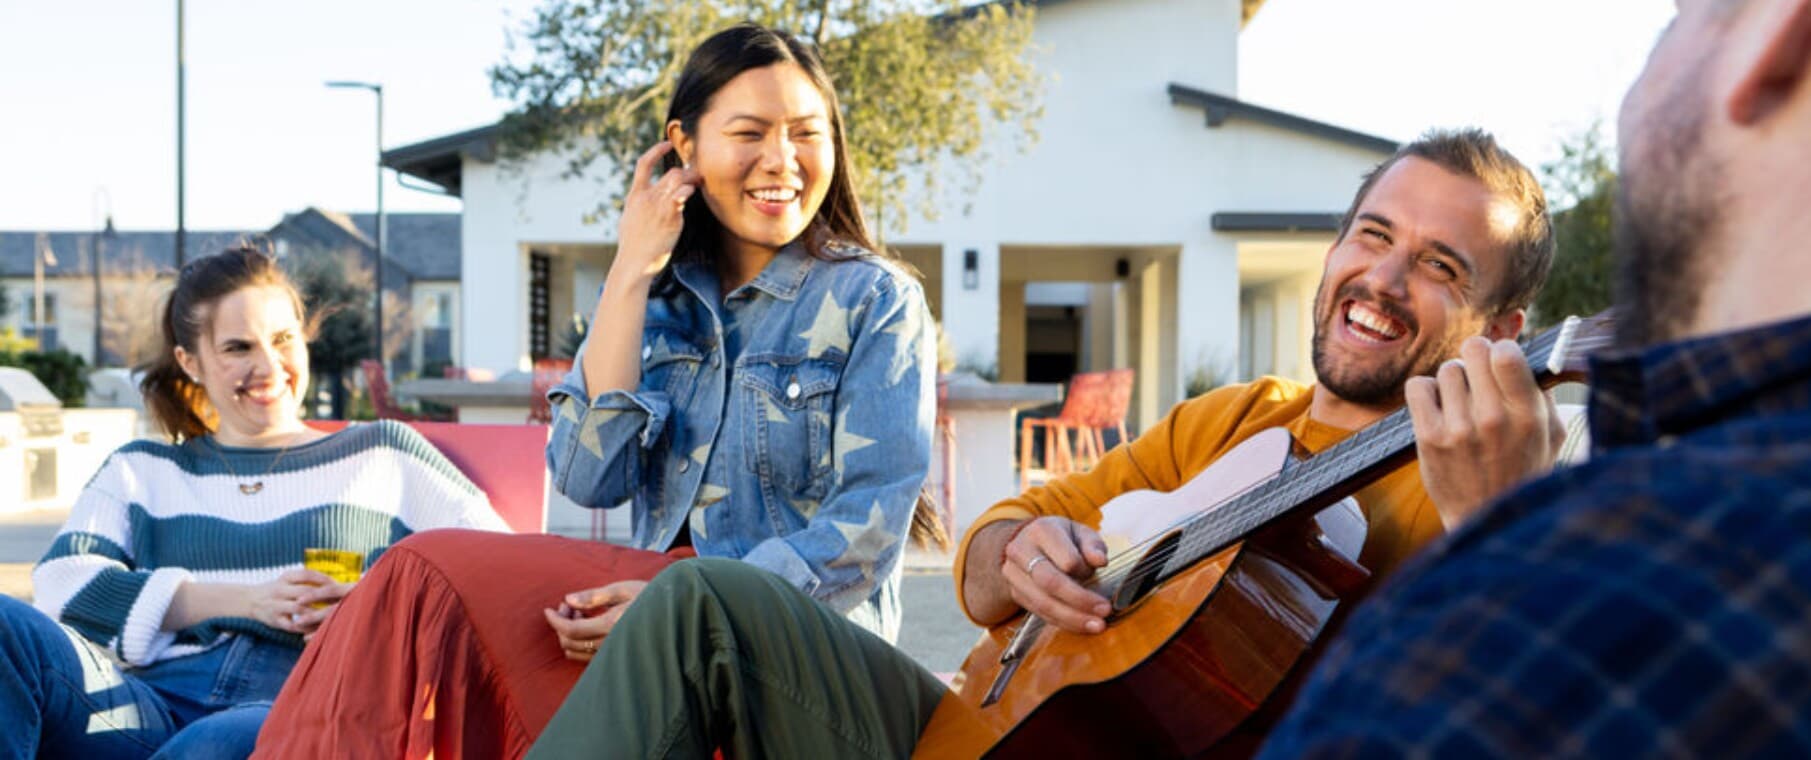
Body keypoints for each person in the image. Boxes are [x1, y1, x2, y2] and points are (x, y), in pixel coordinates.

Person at [525, 125, 1567, 758]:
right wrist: (1018, 556)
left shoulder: (1500, 504)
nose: (1382, 281)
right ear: (1336, 249)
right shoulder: (1241, 421)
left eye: (1441, 267)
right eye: (1373, 237)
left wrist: (1502, 528)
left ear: (1510, 333)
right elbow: (989, 562)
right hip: (987, 728)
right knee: (700, 599)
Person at [255, 23, 938, 758]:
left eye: (808, 133)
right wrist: (632, 270)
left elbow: (863, 536)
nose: (782, 160)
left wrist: (685, 612)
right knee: (420, 570)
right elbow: (587, 475)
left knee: (672, 608)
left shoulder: (878, 300)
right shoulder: (655, 304)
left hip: (809, 665)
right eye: (750, 133)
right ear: (684, 147)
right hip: (650, 625)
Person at [1259, 0, 1811, 755]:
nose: (1382, 279)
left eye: (1676, 14)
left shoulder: (1630, 583)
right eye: (1372, 234)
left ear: (1779, 23)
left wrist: (1510, 550)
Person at [0, 245, 508, 760]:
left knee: (223, 738)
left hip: (299, 699)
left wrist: (370, 615)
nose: (268, 367)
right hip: (146, 707)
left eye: (284, 340)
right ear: (190, 362)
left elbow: (494, 571)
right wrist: (246, 600)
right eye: (238, 348)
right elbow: (61, 585)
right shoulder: (142, 468)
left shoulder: (383, 453)